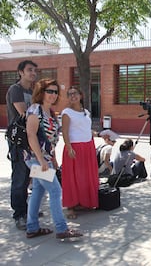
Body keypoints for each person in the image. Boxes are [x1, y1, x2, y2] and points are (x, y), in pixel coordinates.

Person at [25, 78, 82, 239]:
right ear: (41, 92)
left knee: (38, 190)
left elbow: (49, 139)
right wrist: (42, 161)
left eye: (55, 92)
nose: (53, 94)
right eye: (49, 91)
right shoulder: (35, 109)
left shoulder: (49, 112)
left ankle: (32, 228)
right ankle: (62, 228)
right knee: (56, 191)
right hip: (37, 159)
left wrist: (53, 159)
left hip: (45, 158)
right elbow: (31, 135)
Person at [6, 60, 38, 230]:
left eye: (34, 70)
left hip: (31, 138)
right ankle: (19, 214)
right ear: (20, 72)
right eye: (29, 70)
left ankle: (28, 210)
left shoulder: (31, 91)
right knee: (19, 178)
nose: (33, 73)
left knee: (31, 176)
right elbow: (24, 114)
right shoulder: (15, 90)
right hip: (18, 140)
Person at [61, 86, 99, 219]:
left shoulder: (86, 112)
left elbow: (87, 129)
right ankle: (70, 206)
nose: (73, 96)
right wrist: (69, 147)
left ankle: (84, 201)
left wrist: (100, 134)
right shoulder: (66, 112)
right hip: (74, 148)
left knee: (86, 175)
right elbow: (64, 131)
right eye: (70, 94)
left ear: (80, 95)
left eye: (75, 93)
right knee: (72, 177)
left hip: (88, 146)